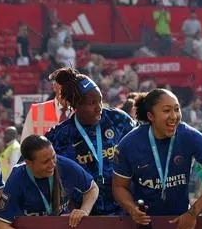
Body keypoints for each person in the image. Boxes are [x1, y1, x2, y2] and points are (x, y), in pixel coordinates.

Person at [113, 89, 202, 229]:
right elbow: (119, 187)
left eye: (177, 109)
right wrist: (132, 209)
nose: (174, 116)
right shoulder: (129, 144)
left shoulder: (188, 135)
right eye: (167, 111)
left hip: (180, 224)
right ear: (150, 116)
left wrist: (193, 213)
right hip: (142, 227)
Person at [44, 68, 135, 217]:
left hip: (124, 211)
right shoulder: (60, 136)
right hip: (83, 215)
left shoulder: (118, 120)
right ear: (76, 106)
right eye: (91, 103)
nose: (99, 107)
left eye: (100, 100)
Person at [0, 135, 98, 229]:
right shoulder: (17, 180)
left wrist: (84, 210)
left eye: (53, 157)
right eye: (45, 162)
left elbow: (92, 188)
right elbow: (0, 228)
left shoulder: (65, 165)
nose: (52, 165)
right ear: (28, 163)